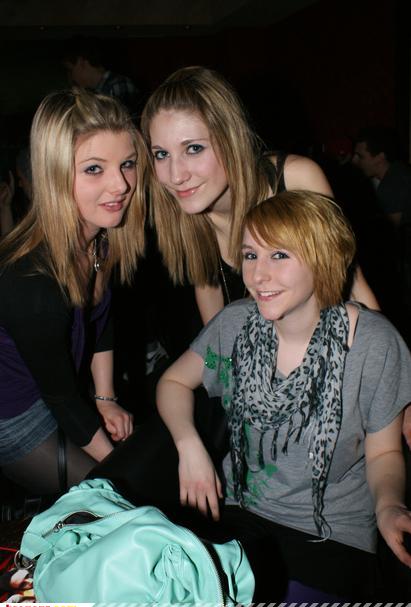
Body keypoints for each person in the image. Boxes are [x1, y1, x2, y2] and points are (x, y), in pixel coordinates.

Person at [155, 191, 411, 601]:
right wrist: (189, 447)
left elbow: (384, 453)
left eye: (279, 255)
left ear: (323, 258)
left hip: (330, 533)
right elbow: (173, 383)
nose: (258, 274)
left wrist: (388, 507)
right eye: (250, 255)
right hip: (238, 513)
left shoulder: (374, 343)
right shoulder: (235, 323)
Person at [140, 65, 379, 326]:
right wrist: (216, 353)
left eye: (194, 149)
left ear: (231, 140)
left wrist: (385, 348)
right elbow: (209, 295)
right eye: (161, 154)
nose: (175, 176)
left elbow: (354, 285)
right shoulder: (187, 205)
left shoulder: (296, 179)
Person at [0, 88, 146, 495]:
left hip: (65, 393)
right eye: (94, 169)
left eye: (127, 164)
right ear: (55, 175)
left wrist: (105, 398)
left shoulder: (100, 238)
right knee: (122, 497)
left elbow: (101, 319)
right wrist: (124, 470)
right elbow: (61, 398)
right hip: (16, 415)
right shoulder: (29, 279)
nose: (121, 185)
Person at [62, 36, 141, 119]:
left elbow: (126, 123)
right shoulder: (93, 92)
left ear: (81, 62)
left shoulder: (118, 85)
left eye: (70, 70)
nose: (70, 77)